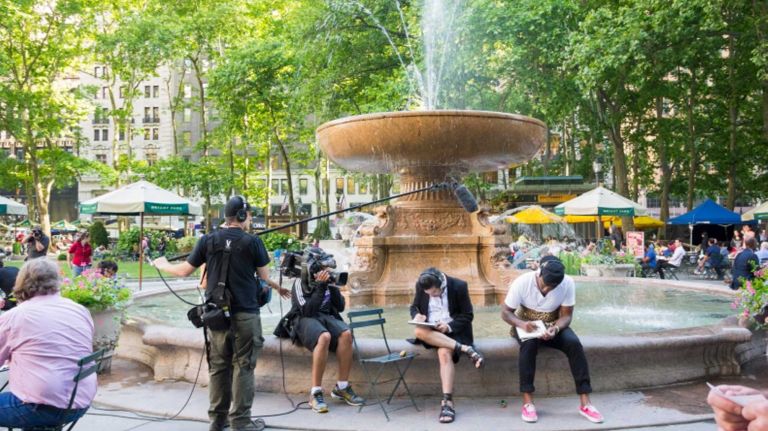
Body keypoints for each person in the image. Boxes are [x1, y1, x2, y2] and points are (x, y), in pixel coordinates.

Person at [153, 195, 290, 431]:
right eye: (248, 215)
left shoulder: (207, 240)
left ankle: (217, 421)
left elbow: (185, 271)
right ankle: (241, 423)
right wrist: (279, 288)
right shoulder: (253, 242)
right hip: (245, 315)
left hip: (216, 317)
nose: (250, 220)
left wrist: (162, 264)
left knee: (219, 367)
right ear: (241, 215)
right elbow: (265, 277)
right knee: (244, 367)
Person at [501, 256, 603, 424]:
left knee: (574, 344)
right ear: (539, 273)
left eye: (553, 286)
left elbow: (567, 316)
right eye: (545, 284)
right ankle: (528, 403)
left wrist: (555, 328)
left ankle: (586, 403)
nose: (548, 289)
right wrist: (521, 324)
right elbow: (505, 312)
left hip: (552, 325)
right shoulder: (523, 282)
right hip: (526, 324)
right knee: (529, 345)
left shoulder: (567, 283)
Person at [0, 258, 95, 428]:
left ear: (22, 281)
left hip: (41, 407)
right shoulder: (78, 310)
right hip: (79, 401)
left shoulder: (17, 316)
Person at [285, 247, 365, 414]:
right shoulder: (300, 283)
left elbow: (341, 307)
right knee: (324, 337)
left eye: (326, 269)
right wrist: (321, 287)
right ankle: (315, 393)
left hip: (325, 316)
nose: (325, 272)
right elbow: (307, 311)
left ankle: (341, 387)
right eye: (322, 268)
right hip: (304, 319)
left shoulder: (328, 282)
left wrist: (333, 286)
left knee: (346, 334)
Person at [409, 268, 484, 424]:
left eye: (434, 293)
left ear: (442, 284)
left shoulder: (459, 286)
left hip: (453, 331)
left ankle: (447, 402)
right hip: (431, 331)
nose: (431, 296)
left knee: (444, 353)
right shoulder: (422, 285)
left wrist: (448, 327)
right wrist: (416, 315)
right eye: (428, 294)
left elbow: (467, 315)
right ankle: (465, 349)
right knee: (418, 331)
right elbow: (414, 306)